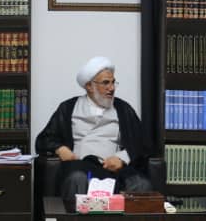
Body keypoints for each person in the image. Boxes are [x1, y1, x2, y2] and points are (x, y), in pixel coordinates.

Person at [35, 55, 153, 199]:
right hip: (80, 166)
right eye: (105, 83)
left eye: (113, 82)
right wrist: (60, 148)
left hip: (113, 169)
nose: (112, 88)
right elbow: (44, 139)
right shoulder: (68, 107)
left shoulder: (123, 108)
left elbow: (143, 143)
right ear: (89, 86)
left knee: (141, 184)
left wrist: (122, 159)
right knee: (76, 178)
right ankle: (76, 216)